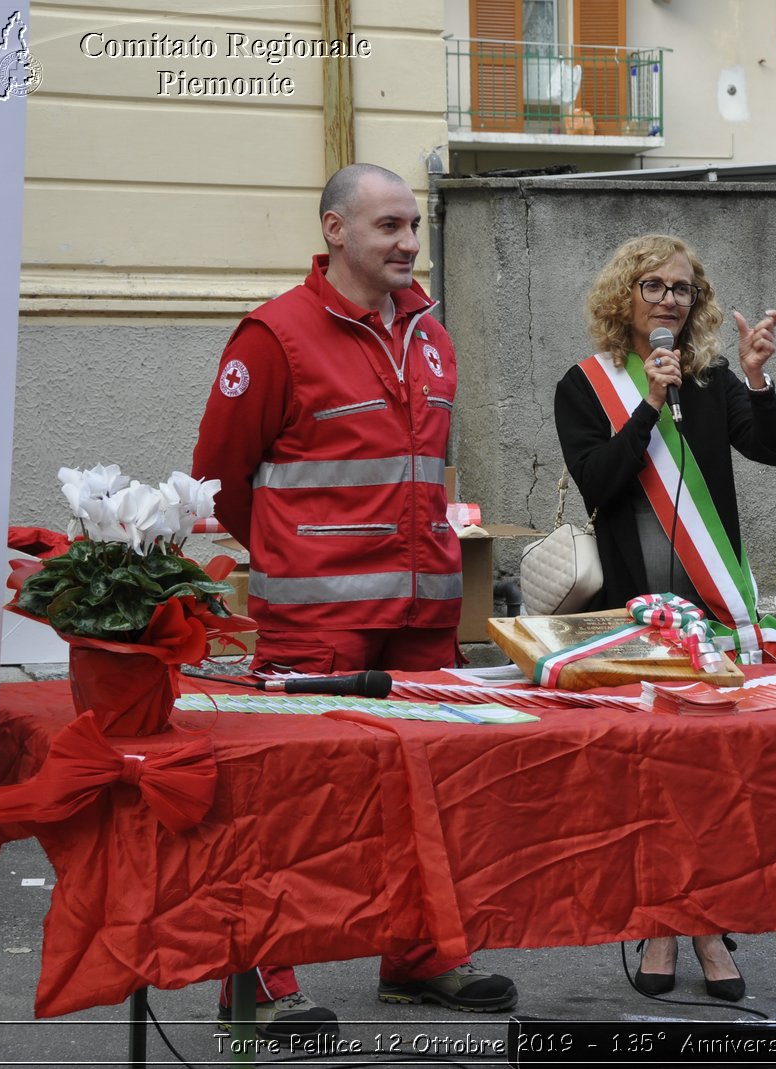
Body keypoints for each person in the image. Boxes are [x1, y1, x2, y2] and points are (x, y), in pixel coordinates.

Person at [192, 163, 517, 1039]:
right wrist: (297, 557)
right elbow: (219, 484)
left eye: (413, 225)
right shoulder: (275, 337)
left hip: (423, 618)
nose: (409, 241)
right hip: (316, 619)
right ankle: (258, 981)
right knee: (293, 804)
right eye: (388, 227)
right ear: (336, 231)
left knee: (429, 791)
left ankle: (420, 955)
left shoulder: (432, 336)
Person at [553, 233, 776, 999]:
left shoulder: (715, 380)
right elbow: (599, 480)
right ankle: (666, 922)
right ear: (625, 297)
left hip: (716, 613)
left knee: (719, 786)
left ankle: (703, 922)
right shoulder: (584, 386)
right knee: (656, 783)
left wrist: (756, 378)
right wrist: (650, 403)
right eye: (653, 285)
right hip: (636, 616)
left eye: (682, 288)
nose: (668, 299)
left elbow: (774, 451)